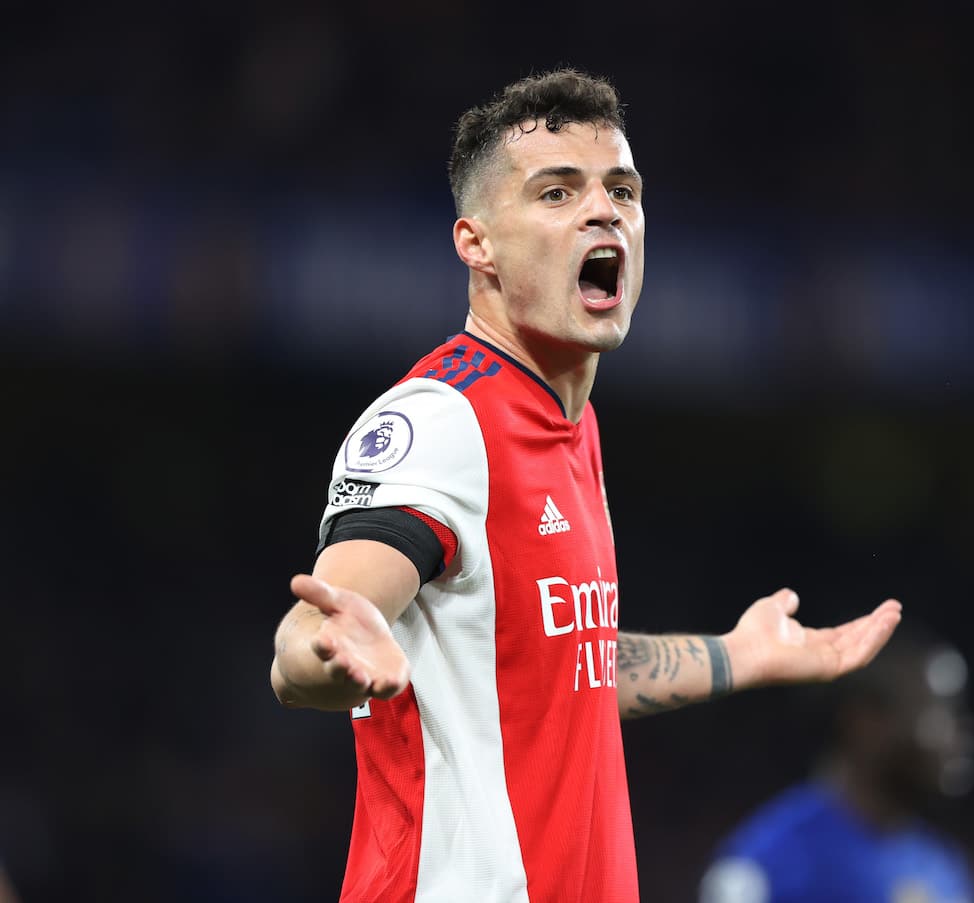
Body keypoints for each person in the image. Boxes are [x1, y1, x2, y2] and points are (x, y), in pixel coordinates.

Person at [268, 67, 903, 903]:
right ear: (477, 244)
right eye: (557, 193)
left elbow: (567, 666)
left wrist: (736, 657)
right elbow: (306, 639)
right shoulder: (444, 418)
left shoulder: (572, 424)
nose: (604, 210)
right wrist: (330, 652)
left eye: (622, 190)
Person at [698, 622, 974, 903]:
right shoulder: (771, 860)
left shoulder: (941, 867)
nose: (960, 733)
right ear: (865, 723)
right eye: (938, 712)